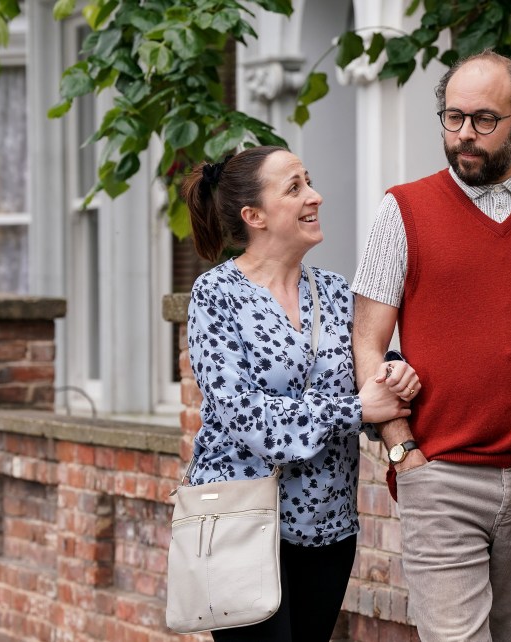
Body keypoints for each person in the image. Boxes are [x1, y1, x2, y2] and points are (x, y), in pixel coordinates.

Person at [351, 50, 511, 641]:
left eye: (483, 120)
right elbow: (366, 343)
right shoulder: (403, 210)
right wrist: (402, 453)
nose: (464, 134)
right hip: (439, 478)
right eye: (452, 117)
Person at [181, 146, 420, 642]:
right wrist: (357, 409)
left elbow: (367, 373)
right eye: (294, 188)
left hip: (329, 523)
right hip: (241, 521)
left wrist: (395, 375)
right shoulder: (216, 296)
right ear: (255, 216)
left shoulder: (335, 291)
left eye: (307, 182)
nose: (315, 196)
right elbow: (243, 414)